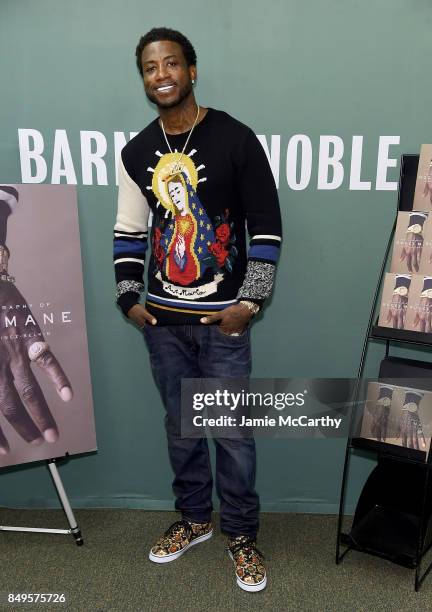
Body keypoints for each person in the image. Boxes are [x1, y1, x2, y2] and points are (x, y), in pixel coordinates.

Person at [113, 27, 282, 592]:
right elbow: (129, 230)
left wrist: (250, 302)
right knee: (181, 430)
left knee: (231, 431)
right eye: (150, 68)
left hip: (222, 321)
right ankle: (193, 520)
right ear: (144, 79)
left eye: (171, 63)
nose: (161, 75)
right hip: (162, 321)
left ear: (192, 70)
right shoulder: (138, 153)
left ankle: (241, 535)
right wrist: (127, 300)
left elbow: (267, 226)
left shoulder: (234, 138)